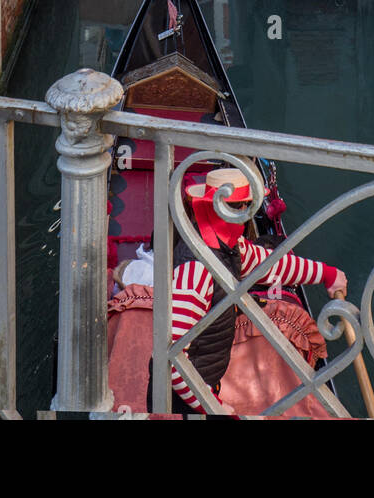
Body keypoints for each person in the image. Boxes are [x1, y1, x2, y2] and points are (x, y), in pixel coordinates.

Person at [146, 166, 346, 418]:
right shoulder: (195, 270)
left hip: (205, 381)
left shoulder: (229, 246)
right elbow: (170, 356)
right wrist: (208, 403)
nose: (247, 212)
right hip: (177, 399)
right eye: (244, 205)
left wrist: (327, 274)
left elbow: (272, 265)